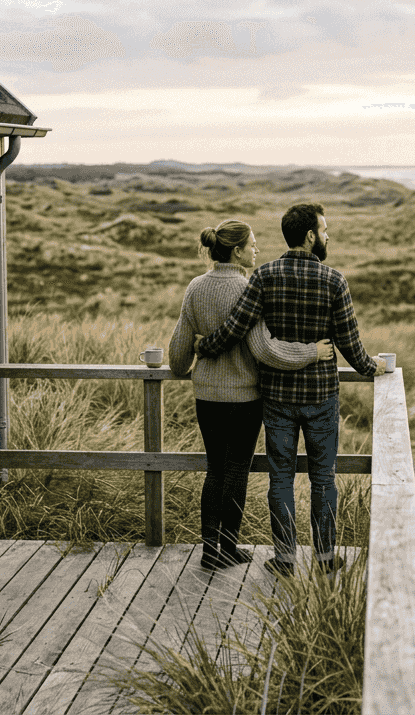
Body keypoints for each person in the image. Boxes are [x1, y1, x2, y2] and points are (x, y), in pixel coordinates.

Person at [196, 203, 386, 576]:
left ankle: (284, 558)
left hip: (278, 399)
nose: (328, 236)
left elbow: (236, 327)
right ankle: (325, 558)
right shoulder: (334, 280)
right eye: (325, 230)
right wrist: (373, 367)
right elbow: (350, 343)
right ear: (310, 236)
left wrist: (204, 347)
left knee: (280, 479)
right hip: (321, 398)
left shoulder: (264, 276)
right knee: (323, 479)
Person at [169, 220, 335, 571]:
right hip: (244, 398)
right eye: (253, 245)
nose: (257, 250)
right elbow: (265, 350)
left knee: (214, 469)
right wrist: (311, 353)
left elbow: (179, 350)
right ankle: (229, 546)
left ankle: (210, 549)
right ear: (237, 251)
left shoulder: (195, 286)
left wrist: (187, 364)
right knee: (237, 471)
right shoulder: (247, 286)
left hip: (206, 396)